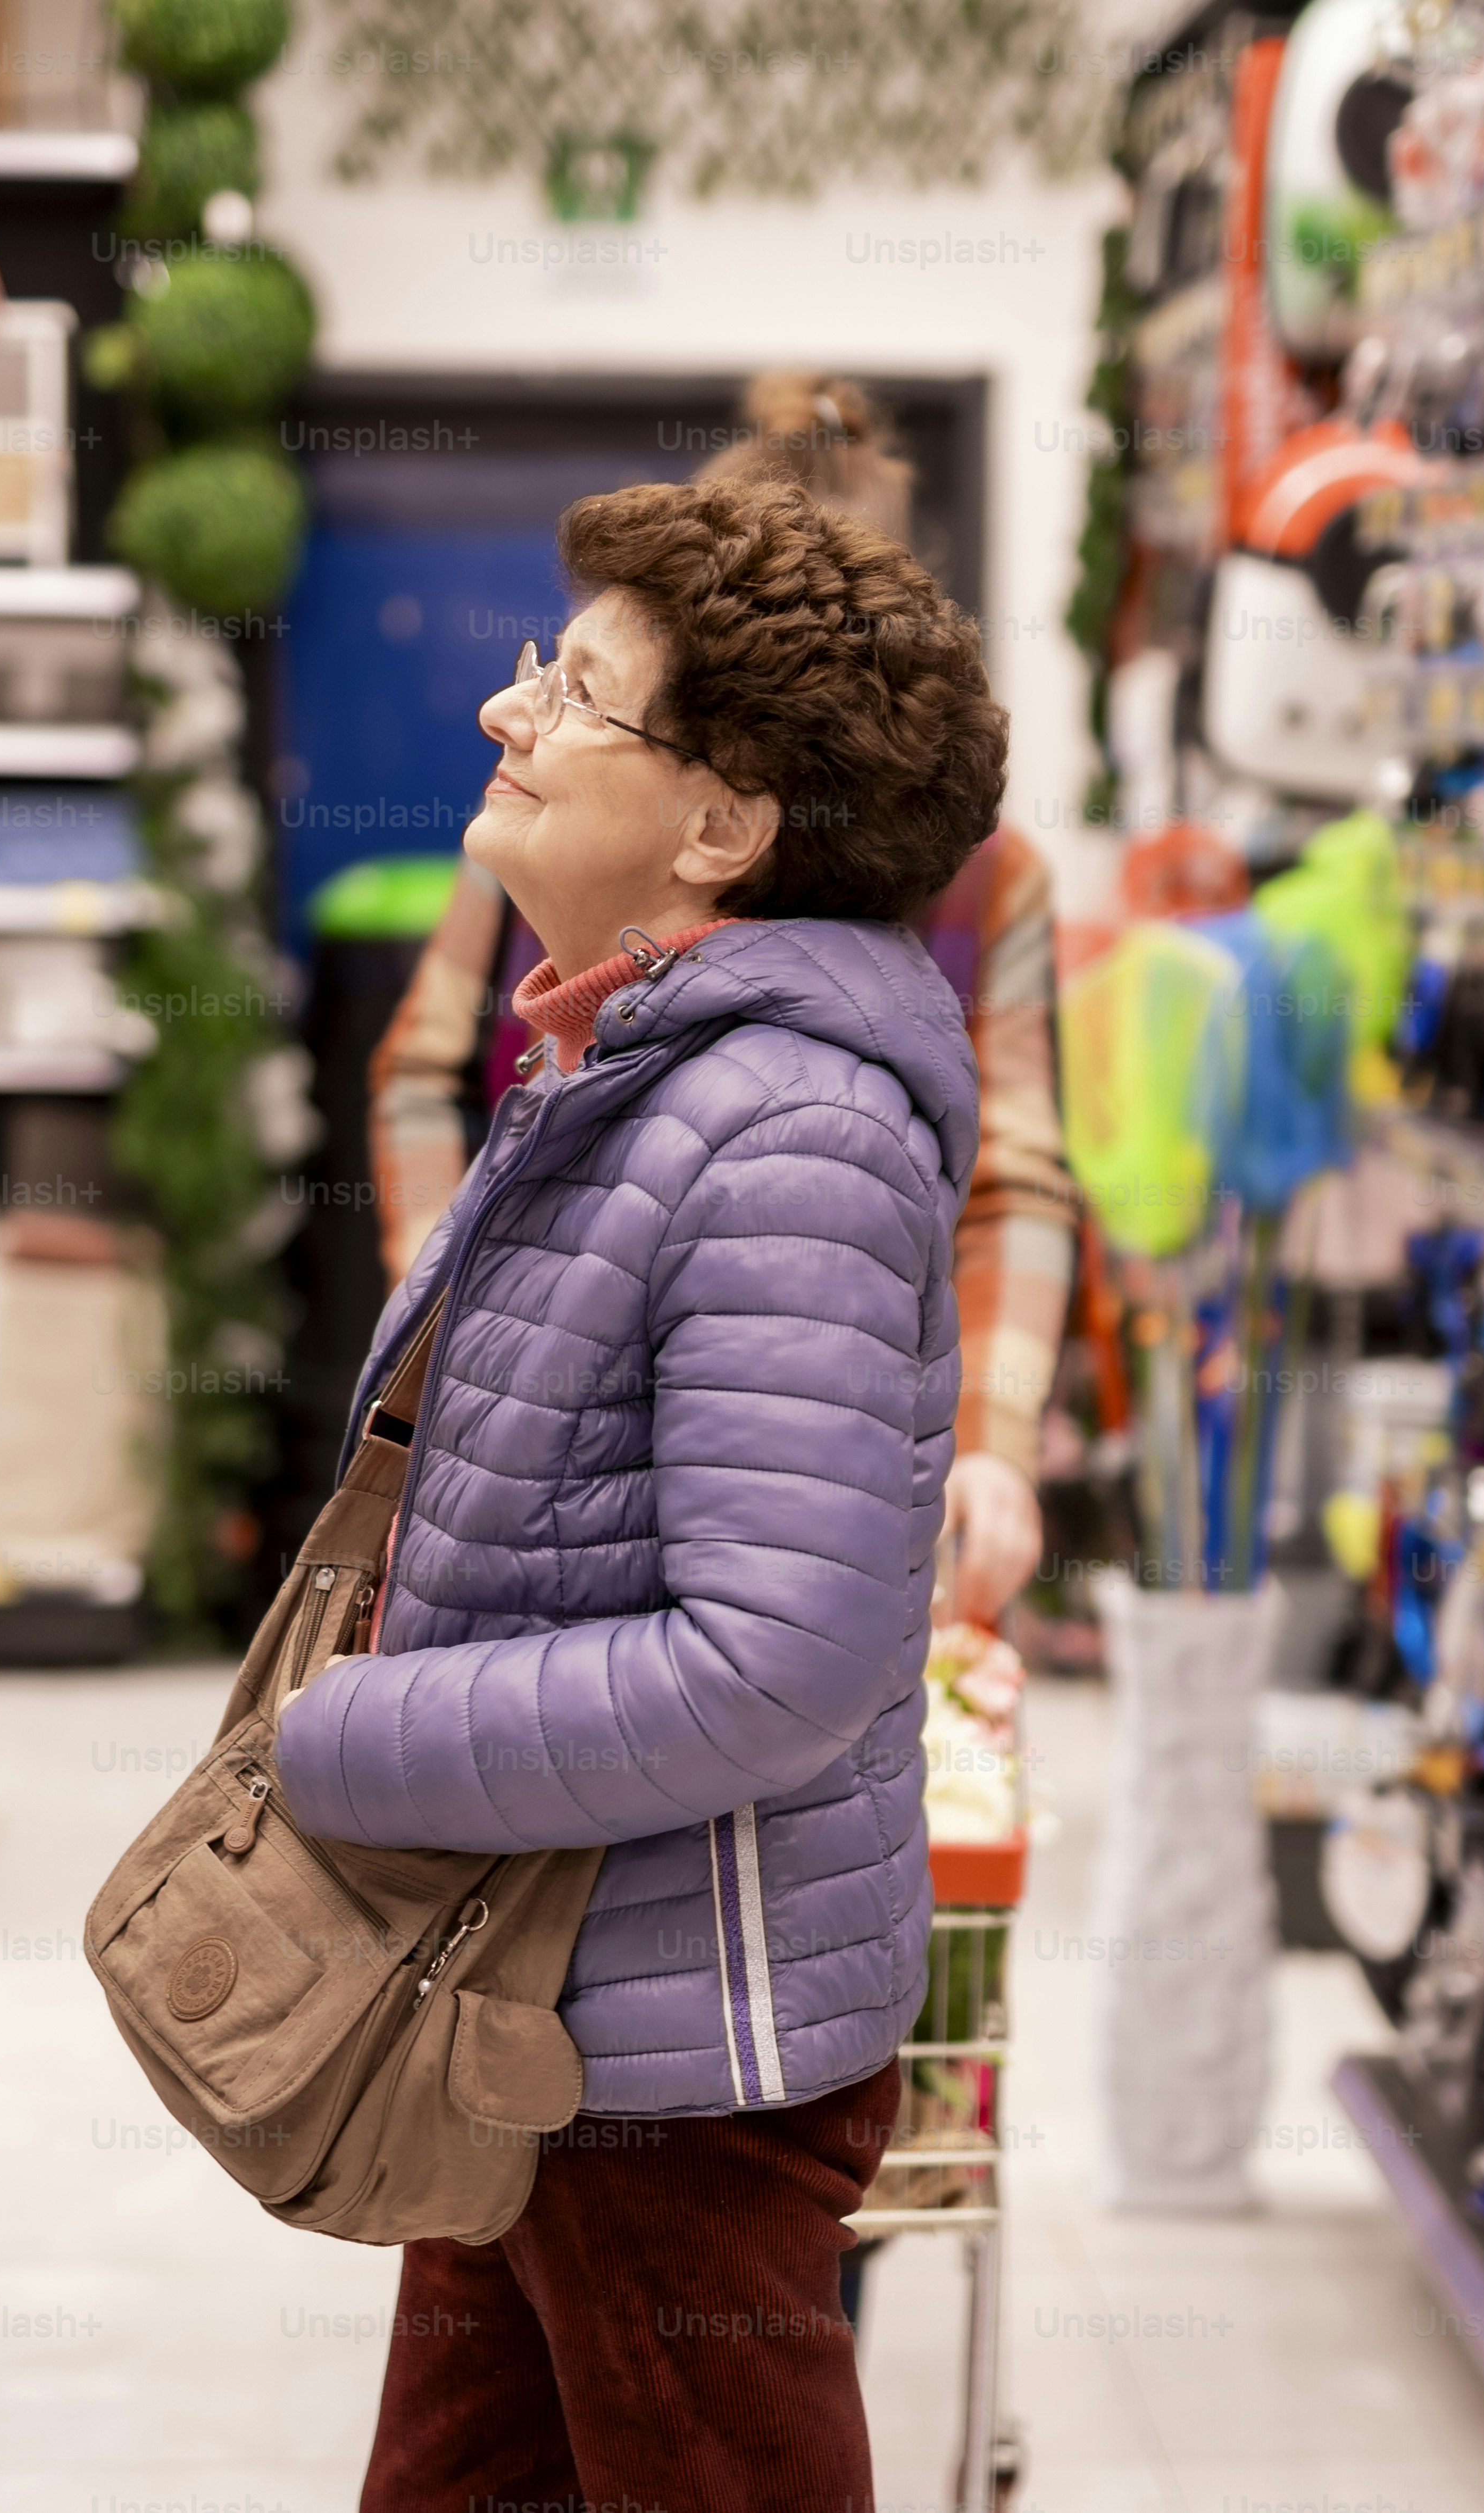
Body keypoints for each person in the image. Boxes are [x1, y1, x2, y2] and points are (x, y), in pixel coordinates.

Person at [273, 472, 1003, 2508]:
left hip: (677, 2047)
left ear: (719, 825)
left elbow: (778, 1656)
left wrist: (357, 1739)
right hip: (542, 1985)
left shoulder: (786, 1134)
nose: (509, 713)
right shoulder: (628, 1065)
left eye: (575, 688)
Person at [368, 373, 1078, 1623]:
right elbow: (420, 1076)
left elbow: (754, 1660)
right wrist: (445, 1312)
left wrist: (994, 1437)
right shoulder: (541, 836)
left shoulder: (840, 1089)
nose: (512, 714)